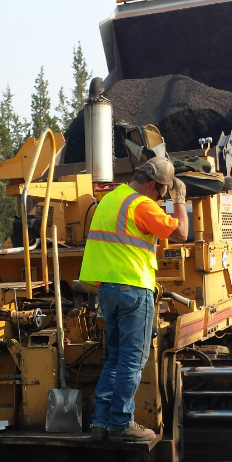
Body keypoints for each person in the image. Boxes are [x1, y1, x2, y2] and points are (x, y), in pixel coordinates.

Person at [78, 157, 189, 443]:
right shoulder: (141, 205)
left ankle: (100, 424)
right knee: (132, 359)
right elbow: (181, 233)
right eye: (162, 192)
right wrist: (179, 199)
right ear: (152, 184)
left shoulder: (111, 199)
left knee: (114, 358)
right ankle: (121, 423)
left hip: (107, 291)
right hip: (133, 289)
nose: (160, 198)